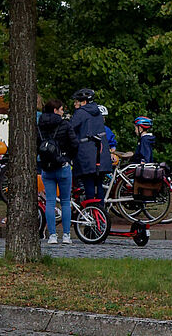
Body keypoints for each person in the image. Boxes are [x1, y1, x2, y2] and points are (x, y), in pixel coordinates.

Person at [37, 98, 78, 245]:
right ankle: (66, 235)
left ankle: (52, 235)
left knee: (50, 202)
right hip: (62, 166)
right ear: (55, 110)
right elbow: (74, 144)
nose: (63, 112)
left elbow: (37, 145)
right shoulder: (64, 124)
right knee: (66, 201)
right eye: (61, 109)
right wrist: (67, 158)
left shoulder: (40, 125)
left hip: (47, 168)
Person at [68, 89, 110, 201]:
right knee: (99, 184)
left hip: (86, 154)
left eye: (77, 102)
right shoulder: (98, 113)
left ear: (84, 102)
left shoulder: (81, 113)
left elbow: (69, 128)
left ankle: (91, 211)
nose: (75, 104)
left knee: (89, 184)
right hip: (101, 153)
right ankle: (100, 212)